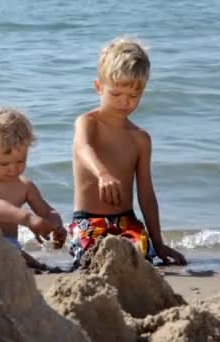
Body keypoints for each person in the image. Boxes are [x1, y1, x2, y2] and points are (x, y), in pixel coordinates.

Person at [70, 36, 187, 267]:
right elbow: (84, 148)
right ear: (98, 87)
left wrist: (159, 243)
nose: (125, 102)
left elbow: (146, 195)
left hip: (127, 223)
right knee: (97, 260)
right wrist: (102, 174)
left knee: (138, 258)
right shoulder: (88, 123)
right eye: (116, 94)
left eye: (134, 96)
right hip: (89, 222)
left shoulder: (140, 139)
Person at [0, 105, 67, 271]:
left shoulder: (24, 186)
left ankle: (36, 265)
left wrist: (56, 226)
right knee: (18, 258)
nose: (13, 169)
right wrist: (29, 219)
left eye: (20, 161)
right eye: (4, 163)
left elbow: (47, 211)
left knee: (27, 261)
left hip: (10, 247)